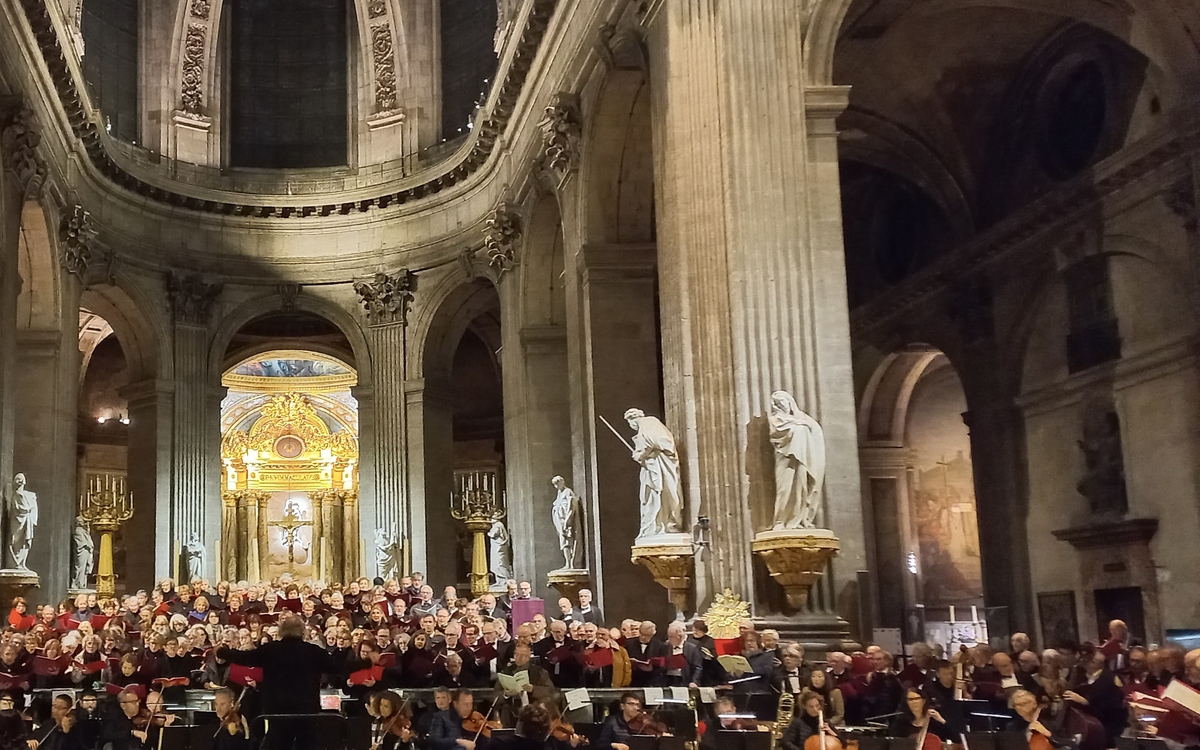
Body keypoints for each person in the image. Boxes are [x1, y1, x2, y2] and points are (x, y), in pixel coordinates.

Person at [217, 614, 368, 749]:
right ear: (303, 631)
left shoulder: (270, 650)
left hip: (277, 712)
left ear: (282, 631)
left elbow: (245, 658)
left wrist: (222, 652)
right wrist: (365, 663)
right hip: (307, 712)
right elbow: (339, 666)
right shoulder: (313, 651)